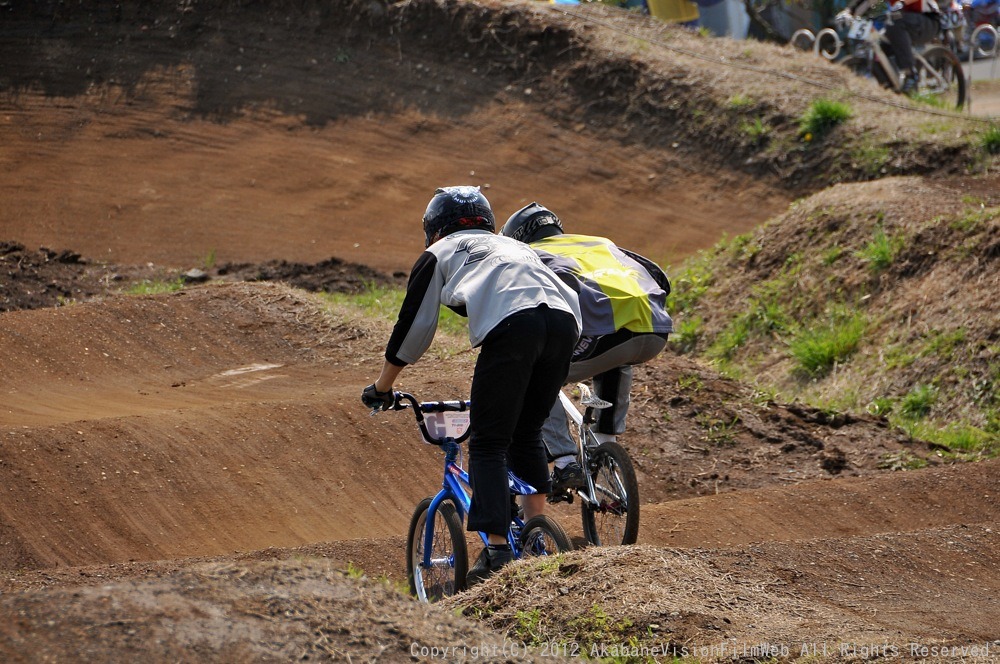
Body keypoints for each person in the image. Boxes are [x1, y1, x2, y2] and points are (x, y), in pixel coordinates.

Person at [361, 186, 581, 586]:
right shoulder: (515, 247)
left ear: (433, 228)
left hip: (515, 325)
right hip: (565, 324)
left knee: (487, 441)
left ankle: (497, 550)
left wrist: (382, 386)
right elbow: (568, 285)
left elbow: (414, 326)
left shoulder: (441, 251)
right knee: (527, 432)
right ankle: (538, 534)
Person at [499, 203, 672, 491]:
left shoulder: (532, 253)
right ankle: (606, 447)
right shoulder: (600, 243)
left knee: (537, 374)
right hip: (654, 329)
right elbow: (658, 274)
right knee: (618, 360)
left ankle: (566, 461)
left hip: (605, 332)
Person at [838, 0, 942, 93]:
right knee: (881, 47)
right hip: (901, 19)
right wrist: (848, 12)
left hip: (928, 20)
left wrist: (902, 2)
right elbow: (866, 2)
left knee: (895, 23)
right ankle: (890, 85)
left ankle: (910, 74)